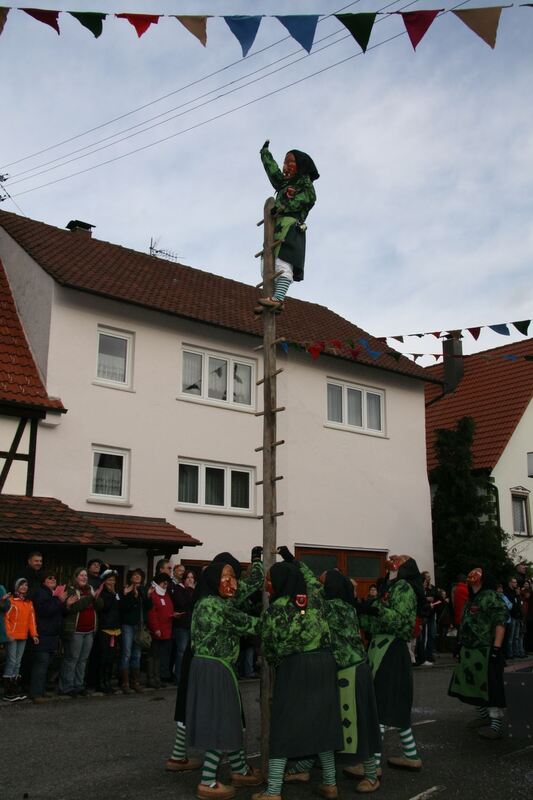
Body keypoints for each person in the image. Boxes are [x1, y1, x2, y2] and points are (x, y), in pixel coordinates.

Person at [254, 549, 343, 800]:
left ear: (281, 583)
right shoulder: (315, 599)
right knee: (323, 722)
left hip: (294, 668)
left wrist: (273, 660)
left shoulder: (276, 609)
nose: (267, 586)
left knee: (284, 724)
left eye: (270, 581)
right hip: (326, 663)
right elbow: (312, 579)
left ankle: (273, 790)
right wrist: (293, 560)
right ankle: (330, 783)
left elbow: (269, 648)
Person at [284, 565, 381, 794]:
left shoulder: (330, 607)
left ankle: (371, 775)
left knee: (355, 726)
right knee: (329, 722)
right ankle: (304, 766)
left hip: (349, 671)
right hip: (348, 670)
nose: (320, 584)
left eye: (323, 582)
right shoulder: (346, 606)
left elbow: (309, 601)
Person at [167, 549, 264, 775]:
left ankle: (178, 755)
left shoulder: (203, 592)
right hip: (215, 659)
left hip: (196, 654)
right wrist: (257, 561)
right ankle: (225, 771)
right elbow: (253, 586)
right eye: (230, 575)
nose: (234, 582)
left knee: (189, 704)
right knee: (225, 712)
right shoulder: (219, 601)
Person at [186, 560, 262, 799]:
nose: (232, 584)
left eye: (233, 577)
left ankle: (239, 768)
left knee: (230, 718)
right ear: (212, 580)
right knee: (220, 720)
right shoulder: (216, 606)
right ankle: (208, 781)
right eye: (225, 578)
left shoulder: (203, 602)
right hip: (216, 667)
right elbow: (250, 624)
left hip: (207, 666)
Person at [362, 554, 425, 771]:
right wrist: (363, 612)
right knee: (396, 705)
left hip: (392, 648)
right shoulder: (390, 586)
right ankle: (411, 756)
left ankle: (372, 765)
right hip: (381, 647)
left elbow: (400, 620)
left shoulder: (404, 588)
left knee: (381, 703)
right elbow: (376, 619)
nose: (392, 560)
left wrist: (376, 609)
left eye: (398, 559)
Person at [256, 140, 319, 312]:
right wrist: (265, 154)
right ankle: (273, 298)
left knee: (284, 263)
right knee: (268, 265)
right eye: (285, 163)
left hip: (290, 227)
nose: (285, 166)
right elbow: (274, 173)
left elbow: (306, 199)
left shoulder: (304, 184)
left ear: (301, 166)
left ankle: (278, 298)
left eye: (290, 162)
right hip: (275, 228)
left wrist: (284, 207)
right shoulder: (284, 184)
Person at [448, 567, 508, 739]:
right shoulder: (471, 598)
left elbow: (500, 622)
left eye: (477, 573)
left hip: (485, 650)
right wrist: (459, 644)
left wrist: (496, 648)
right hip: (469, 650)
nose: (472, 575)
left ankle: (495, 725)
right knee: (471, 687)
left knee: (489, 690)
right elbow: (466, 623)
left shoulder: (490, 596)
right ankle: (484, 718)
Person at [59, 567, 103, 697]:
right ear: (76, 577)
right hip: (76, 631)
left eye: (85, 576)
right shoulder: (71, 589)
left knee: (83, 660)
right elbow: (75, 607)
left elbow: (100, 606)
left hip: (89, 630)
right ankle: (67, 687)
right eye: (81, 575)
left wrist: (96, 598)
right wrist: (91, 597)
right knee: (72, 659)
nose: (84, 578)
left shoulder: (91, 589)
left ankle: (78, 685)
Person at [29, 573, 67, 702]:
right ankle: (36, 693)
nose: (53, 579)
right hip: (43, 634)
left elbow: (59, 612)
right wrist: (59, 600)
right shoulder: (41, 593)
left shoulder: (53, 594)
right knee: (41, 664)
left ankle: (42, 690)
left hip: (52, 634)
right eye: (49, 578)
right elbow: (45, 611)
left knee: (48, 664)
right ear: (43, 581)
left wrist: (65, 604)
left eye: (54, 578)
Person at [2, 578, 38, 702]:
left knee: (18, 662)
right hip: (12, 636)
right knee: (11, 661)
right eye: (21, 585)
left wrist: (34, 634)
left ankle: (14, 688)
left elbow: (31, 620)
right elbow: (5, 618)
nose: (24, 587)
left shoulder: (28, 602)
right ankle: (8, 692)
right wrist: (8, 634)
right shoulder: (11, 601)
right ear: (16, 587)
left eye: (26, 585)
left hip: (23, 636)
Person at [120, 567, 152, 693]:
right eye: (134, 575)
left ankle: (135, 682)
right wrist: (129, 595)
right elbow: (123, 607)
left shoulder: (144, 590)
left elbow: (149, 607)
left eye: (139, 575)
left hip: (140, 626)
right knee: (127, 653)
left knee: (137, 654)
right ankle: (125, 683)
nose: (137, 577)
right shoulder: (125, 589)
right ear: (130, 578)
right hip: (128, 624)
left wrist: (147, 596)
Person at [95, 569, 122, 694]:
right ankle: (100, 682)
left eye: (113, 580)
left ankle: (107, 681)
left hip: (115, 628)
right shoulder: (102, 594)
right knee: (103, 657)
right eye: (109, 580)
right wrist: (112, 595)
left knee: (111, 658)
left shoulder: (116, 593)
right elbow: (104, 607)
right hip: (105, 629)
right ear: (104, 582)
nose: (112, 582)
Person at [147, 571, 174, 688]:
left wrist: (174, 614)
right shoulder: (153, 594)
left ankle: (157, 678)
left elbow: (168, 609)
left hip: (166, 629)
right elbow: (152, 613)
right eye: (163, 583)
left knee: (159, 655)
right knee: (153, 655)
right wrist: (156, 628)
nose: (165, 585)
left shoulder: (165, 594)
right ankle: (151, 678)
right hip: (157, 630)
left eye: (166, 583)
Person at [173, 569, 195, 685]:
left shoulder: (192, 590)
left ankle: (187, 676)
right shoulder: (178, 589)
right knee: (181, 651)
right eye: (188, 577)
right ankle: (178, 676)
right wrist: (190, 589)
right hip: (181, 625)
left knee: (189, 652)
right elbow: (183, 603)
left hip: (191, 624)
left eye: (192, 578)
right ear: (184, 579)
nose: (190, 580)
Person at [503, 577, 522, 659]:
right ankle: (510, 653)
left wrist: (518, 595)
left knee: (516, 636)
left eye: (516, 582)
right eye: (514, 582)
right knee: (510, 636)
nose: (516, 584)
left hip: (517, 616)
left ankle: (516, 652)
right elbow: (512, 605)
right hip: (511, 616)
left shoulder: (516, 592)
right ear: (510, 583)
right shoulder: (507, 592)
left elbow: (519, 604)